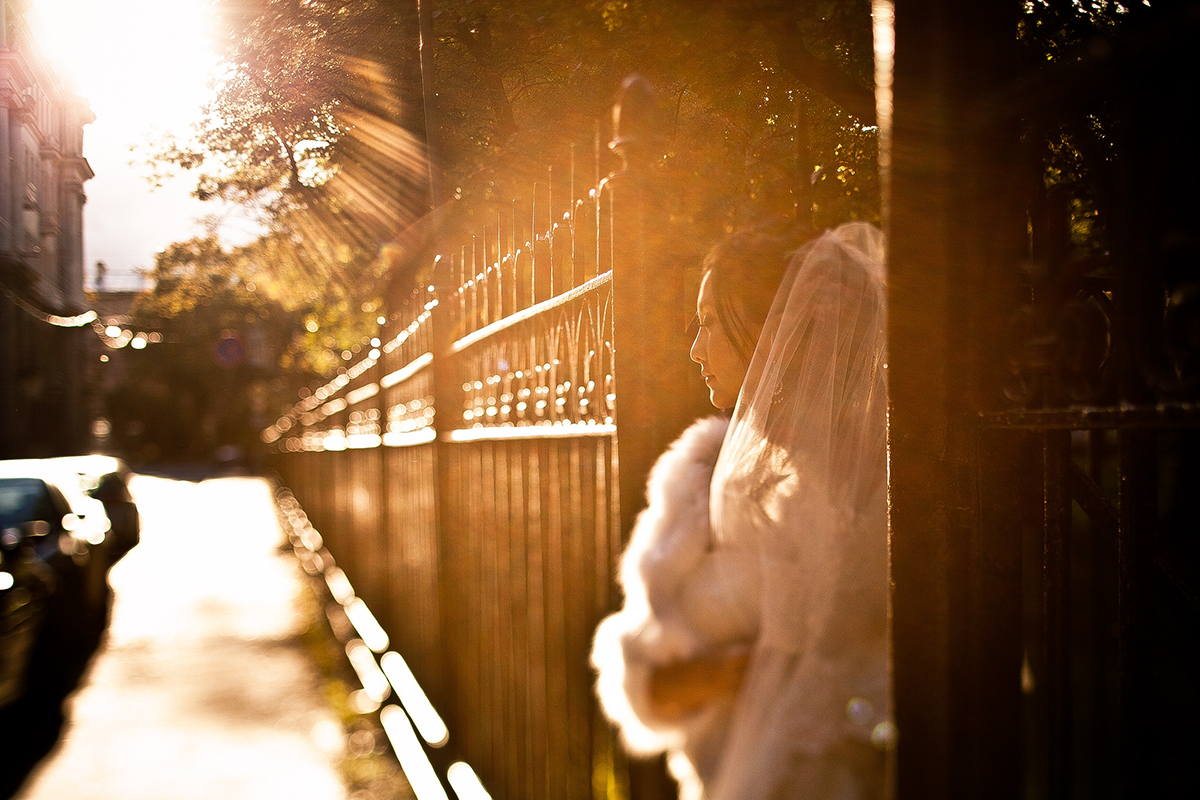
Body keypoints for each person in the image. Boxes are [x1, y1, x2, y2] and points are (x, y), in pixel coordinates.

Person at [590, 220, 890, 799]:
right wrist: (719, 677)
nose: (696, 350)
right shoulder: (700, 481)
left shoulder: (874, 487)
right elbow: (645, 672)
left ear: (772, 331)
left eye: (708, 324)